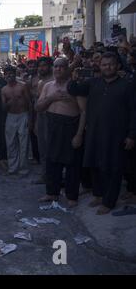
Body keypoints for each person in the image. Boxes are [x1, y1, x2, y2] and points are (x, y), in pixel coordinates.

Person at [68, 52, 136, 215]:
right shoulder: (93, 82)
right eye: (104, 64)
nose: (107, 67)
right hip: (94, 132)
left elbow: (134, 111)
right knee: (94, 164)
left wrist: (132, 135)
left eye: (111, 64)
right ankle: (98, 195)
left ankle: (109, 201)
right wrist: (74, 75)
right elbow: (73, 89)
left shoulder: (127, 85)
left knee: (113, 168)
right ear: (100, 66)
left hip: (116, 135)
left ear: (118, 66)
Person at [36, 58, 86, 207]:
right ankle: (52, 193)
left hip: (70, 126)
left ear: (67, 69)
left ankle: (72, 195)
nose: (58, 69)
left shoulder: (74, 86)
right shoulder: (47, 86)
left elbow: (84, 111)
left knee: (72, 163)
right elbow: (38, 107)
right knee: (52, 161)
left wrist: (79, 134)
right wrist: (52, 98)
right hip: (52, 125)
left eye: (62, 67)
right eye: (56, 67)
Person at [1, 66, 31, 176]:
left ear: (15, 74)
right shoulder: (4, 90)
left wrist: (31, 119)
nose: (9, 76)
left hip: (23, 115)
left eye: (11, 73)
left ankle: (23, 168)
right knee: (11, 143)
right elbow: (3, 107)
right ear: (4, 76)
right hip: (11, 116)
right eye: (7, 74)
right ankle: (13, 167)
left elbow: (29, 103)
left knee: (24, 143)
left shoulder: (22, 86)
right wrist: (7, 103)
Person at [33, 57, 54, 185]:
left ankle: (55, 176)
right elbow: (37, 104)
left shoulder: (55, 80)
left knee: (53, 148)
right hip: (41, 118)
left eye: (44, 65)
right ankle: (45, 175)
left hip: (53, 118)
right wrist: (36, 121)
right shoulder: (40, 82)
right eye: (39, 66)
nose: (41, 68)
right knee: (43, 148)